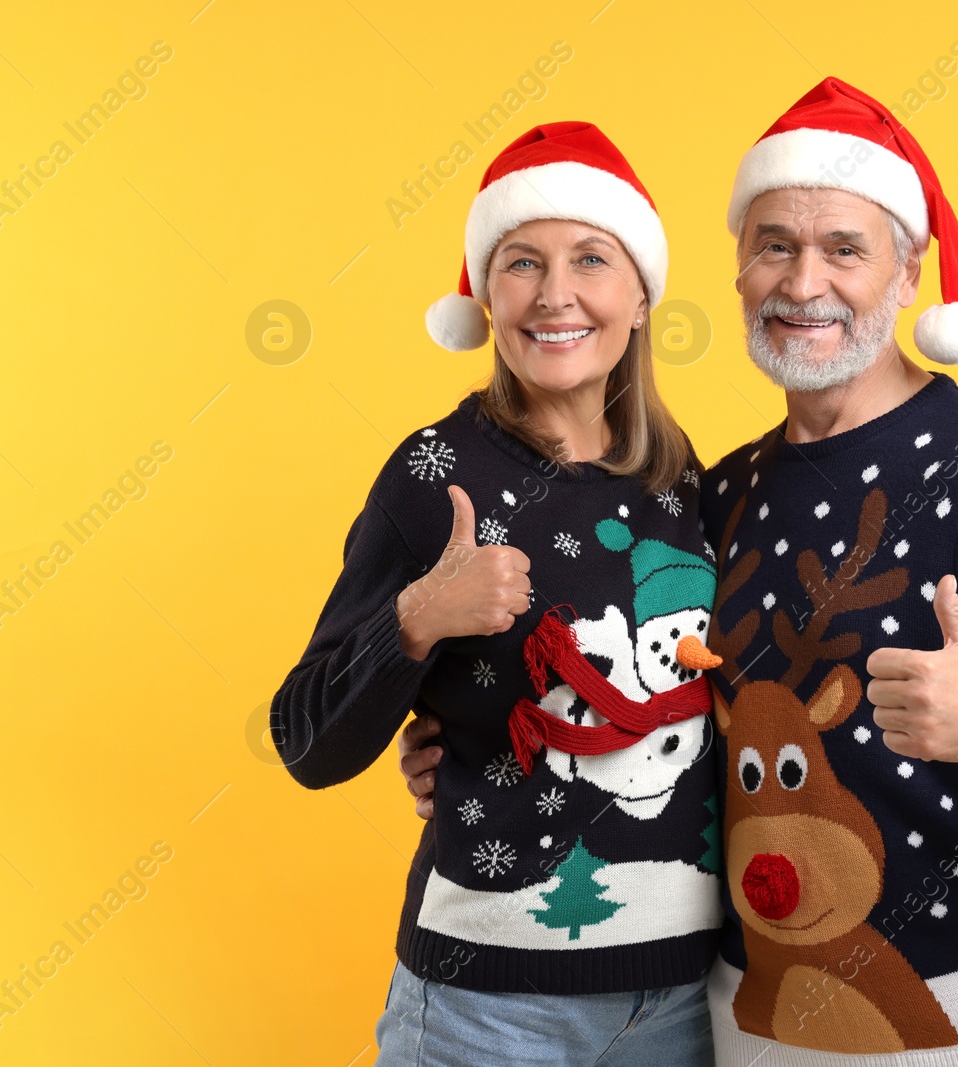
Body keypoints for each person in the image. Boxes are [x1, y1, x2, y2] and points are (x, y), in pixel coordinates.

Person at [406, 79, 958, 1067]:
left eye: (844, 248)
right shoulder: (716, 490)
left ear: (907, 274)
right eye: (774, 243)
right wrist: (484, 745)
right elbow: (661, 707)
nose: (802, 281)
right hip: (765, 1025)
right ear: (737, 268)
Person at [272, 121, 725, 1066]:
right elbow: (305, 740)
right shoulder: (433, 475)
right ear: (484, 294)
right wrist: (419, 621)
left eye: (591, 260)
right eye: (522, 263)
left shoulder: (691, 487)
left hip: (689, 999)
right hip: (486, 1011)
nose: (555, 294)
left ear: (639, 296)